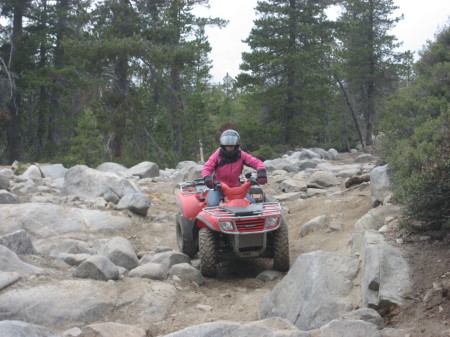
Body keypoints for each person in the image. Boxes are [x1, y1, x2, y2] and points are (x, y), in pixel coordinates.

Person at [202, 129, 267, 206]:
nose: (229, 148)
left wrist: (261, 171)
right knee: (213, 204)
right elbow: (207, 167)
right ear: (223, 145)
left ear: (236, 145)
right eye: (227, 146)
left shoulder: (241, 155)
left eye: (231, 146)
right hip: (219, 187)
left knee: (252, 203)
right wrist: (207, 177)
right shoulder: (216, 156)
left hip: (236, 188)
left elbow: (256, 162)